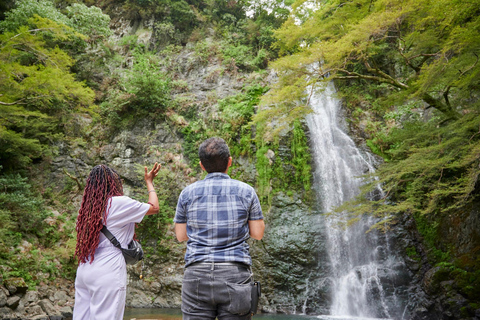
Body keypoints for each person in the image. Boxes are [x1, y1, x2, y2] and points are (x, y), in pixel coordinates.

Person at [174, 137, 265, 320]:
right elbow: (258, 233)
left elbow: (181, 236)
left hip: (197, 274)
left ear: (201, 165)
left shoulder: (187, 194)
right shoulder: (246, 192)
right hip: (235, 274)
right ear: (229, 161)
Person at [73, 163, 160, 320]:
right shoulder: (118, 203)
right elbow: (154, 207)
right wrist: (149, 182)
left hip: (85, 267)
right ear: (113, 183)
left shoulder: (89, 208)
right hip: (108, 269)